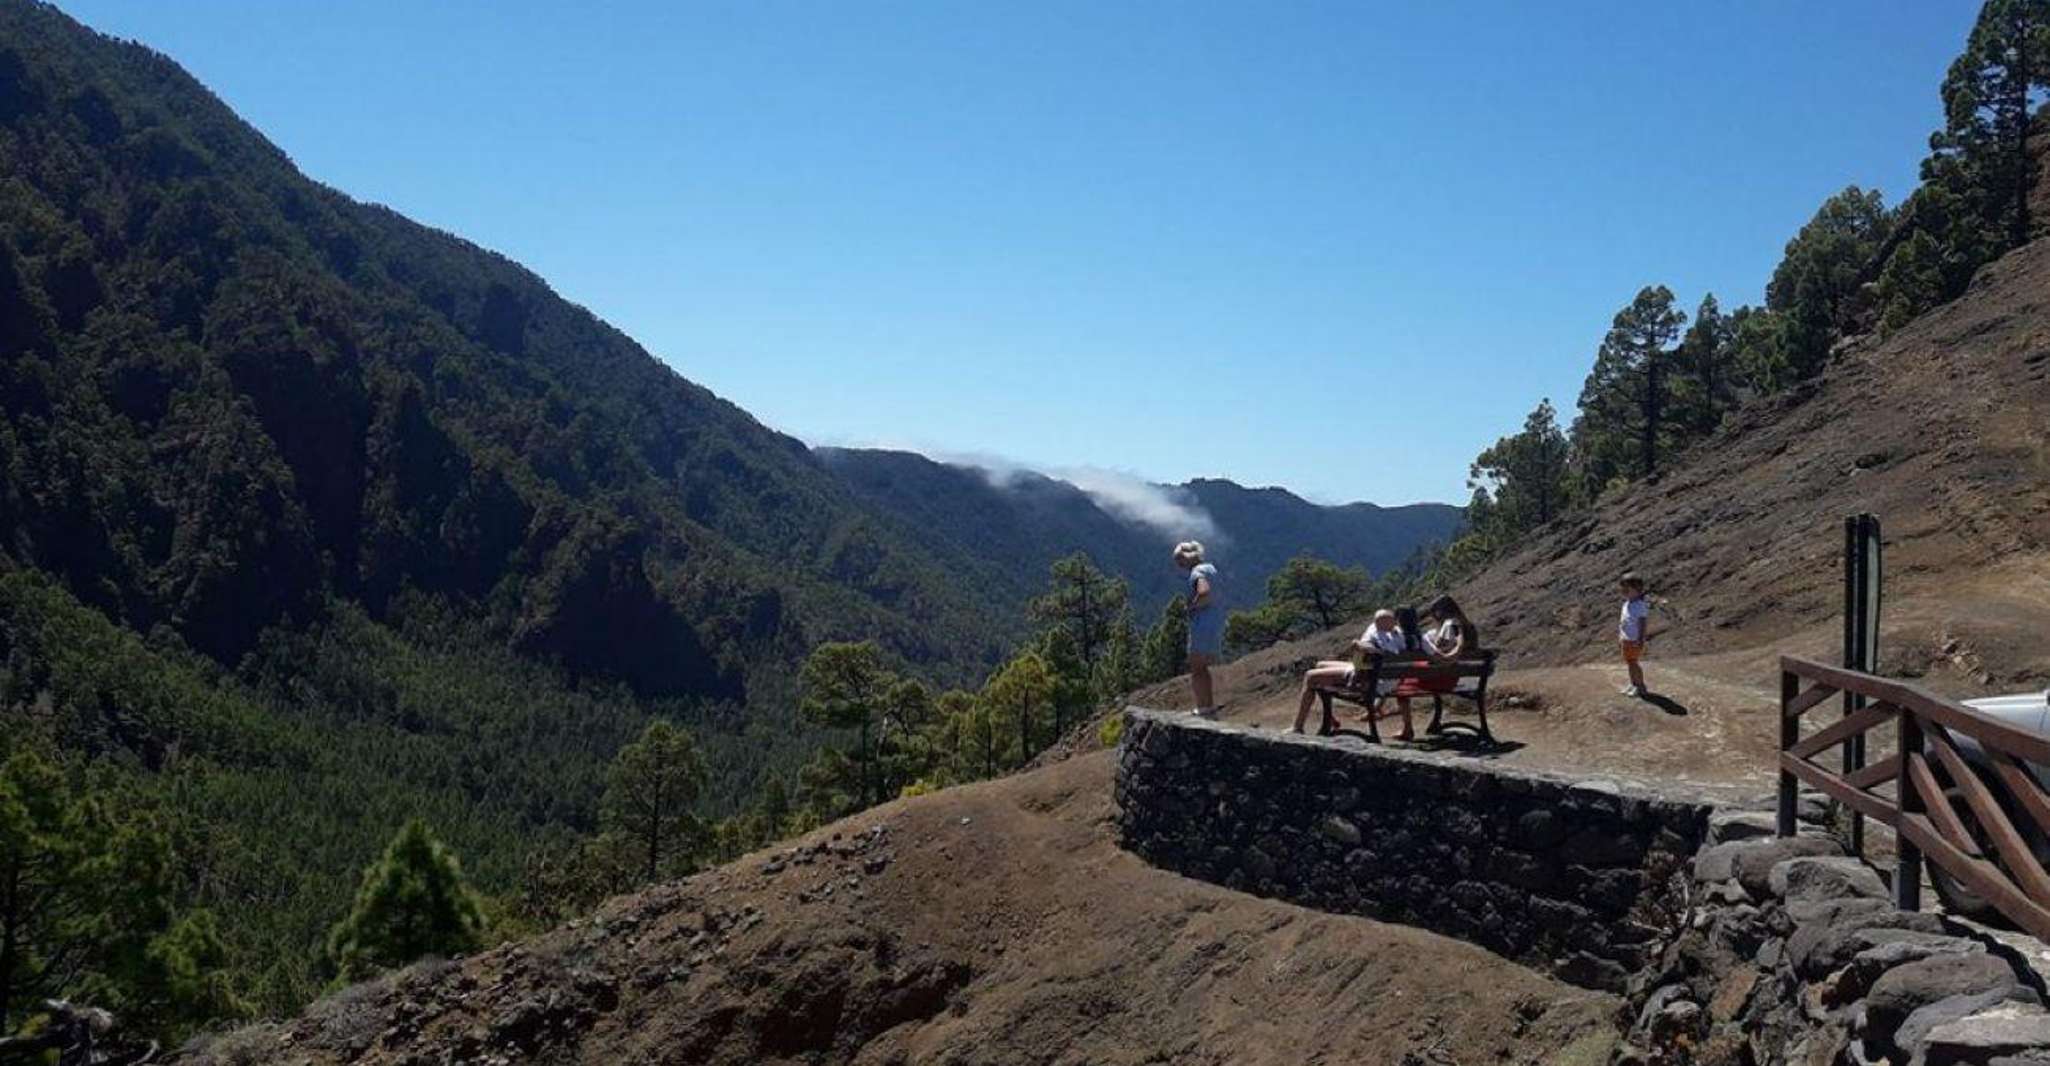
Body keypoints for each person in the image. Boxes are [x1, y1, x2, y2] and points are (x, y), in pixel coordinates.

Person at [1289, 609, 1402, 733]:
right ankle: (1329, 717)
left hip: (1366, 680)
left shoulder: (1376, 636)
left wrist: (1357, 645)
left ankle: (1297, 726)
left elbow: (1359, 662)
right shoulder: (1399, 636)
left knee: (1310, 676)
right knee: (1320, 665)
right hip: (1386, 681)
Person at [1175, 541, 1223, 717]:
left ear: (1188, 558)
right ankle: (1207, 706)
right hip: (1215, 622)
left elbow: (1204, 593)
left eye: (1180, 560)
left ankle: (1203, 708)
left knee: (1197, 668)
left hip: (1202, 625)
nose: (1179, 565)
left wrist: (1191, 606)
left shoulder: (1197, 572)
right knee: (1203, 668)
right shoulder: (1211, 568)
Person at [1618, 572, 1654, 697]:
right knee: (1630, 662)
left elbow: (1642, 623)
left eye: (1627, 589)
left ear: (1637, 590)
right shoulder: (1627, 604)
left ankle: (1640, 686)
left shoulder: (1639, 606)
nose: (1623, 591)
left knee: (1633, 662)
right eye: (1622, 588)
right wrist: (1621, 638)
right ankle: (1634, 683)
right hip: (1626, 639)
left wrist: (1640, 639)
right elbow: (1625, 622)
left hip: (1634, 640)